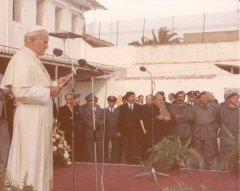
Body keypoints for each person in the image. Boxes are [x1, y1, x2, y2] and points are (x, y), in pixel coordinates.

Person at [0, 26, 67, 191]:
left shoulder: (33, 58)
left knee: (38, 158)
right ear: (32, 40)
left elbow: (35, 86)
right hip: (30, 118)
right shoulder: (22, 59)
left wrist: (54, 85)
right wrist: (49, 91)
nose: (47, 46)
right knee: (30, 157)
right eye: (45, 42)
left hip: (38, 117)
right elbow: (21, 91)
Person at [117, 91, 142, 164]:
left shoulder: (138, 107)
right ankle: (128, 163)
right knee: (127, 148)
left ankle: (135, 162)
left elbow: (141, 119)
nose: (133, 98)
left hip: (135, 132)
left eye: (134, 96)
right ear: (127, 98)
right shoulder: (122, 107)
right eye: (131, 97)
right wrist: (119, 131)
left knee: (135, 148)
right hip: (126, 132)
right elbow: (120, 119)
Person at [82, 94, 104, 163]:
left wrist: (99, 124)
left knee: (100, 149)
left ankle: (100, 162)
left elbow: (103, 119)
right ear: (88, 102)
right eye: (90, 101)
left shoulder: (101, 110)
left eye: (94, 101)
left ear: (96, 101)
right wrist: (93, 125)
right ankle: (91, 162)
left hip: (99, 132)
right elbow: (85, 120)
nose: (92, 102)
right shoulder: (86, 110)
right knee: (90, 149)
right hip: (89, 132)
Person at [104, 96, 120, 163]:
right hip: (106, 132)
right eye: (110, 102)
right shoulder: (104, 111)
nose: (111, 103)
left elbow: (120, 122)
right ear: (108, 102)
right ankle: (106, 161)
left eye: (113, 102)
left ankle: (114, 161)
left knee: (115, 148)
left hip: (115, 132)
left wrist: (119, 131)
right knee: (105, 147)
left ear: (115, 103)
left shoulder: (118, 111)